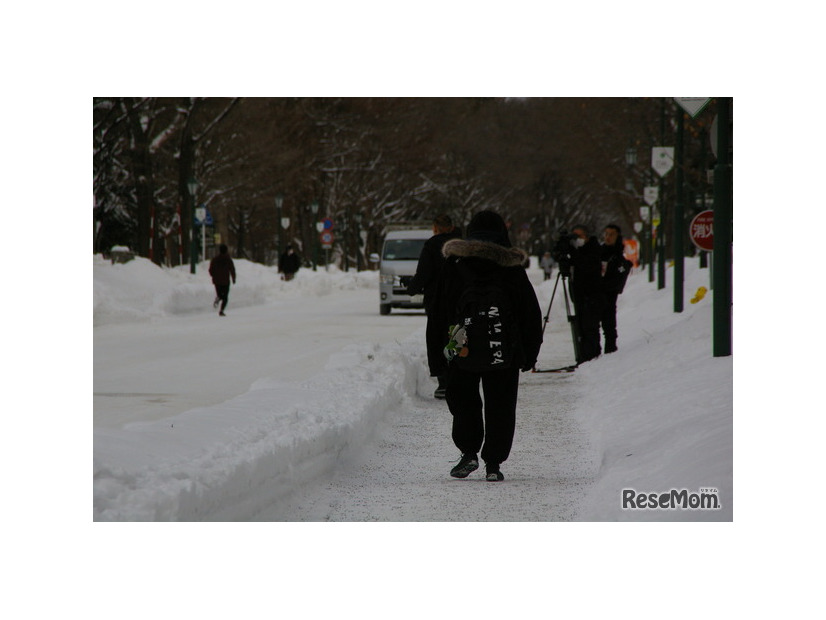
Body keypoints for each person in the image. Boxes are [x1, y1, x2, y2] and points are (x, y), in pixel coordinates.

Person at [434, 210, 542, 482]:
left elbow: (440, 310)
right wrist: (529, 353)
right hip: (503, 349)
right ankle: (493, 462)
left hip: (462, 345)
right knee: (501, 404)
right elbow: (529, 312)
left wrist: (440, 353)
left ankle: (468, 452)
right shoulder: (511, 267)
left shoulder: (454, 264)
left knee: (464, 401)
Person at [406, 214, 462, 399]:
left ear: (436, 227)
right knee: (457, 335)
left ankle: (443, 383)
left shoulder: (432, 246)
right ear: (452, 227)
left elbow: (423, 273)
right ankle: (459, 377)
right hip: (461, 301)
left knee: (437, 339)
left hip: (437, 302)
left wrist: (411, 287)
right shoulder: (463, 245)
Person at [569, 224, 603, 363]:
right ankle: (584, 355)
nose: (577, 240)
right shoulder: (578, 250)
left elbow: (587, 266)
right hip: (580, 294)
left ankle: (592, 356)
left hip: (591, 294)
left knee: (590, 326)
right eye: (574, 236)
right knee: (581, 326)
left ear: (586, 236)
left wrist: (574, 253)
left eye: (579, 236)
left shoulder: (593, 249)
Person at [600, 224, 631, 353]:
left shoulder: (619, 258)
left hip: (609, 294)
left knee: (609, 323)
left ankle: (610, 350)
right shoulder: (599, 252)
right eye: (606, 234)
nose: (608, 237)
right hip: (596, 293)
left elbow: (618, 280)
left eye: (611, 234)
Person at [209, 244, 236, 316]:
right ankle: (221, 310)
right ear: (226, 250)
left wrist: (214, 276)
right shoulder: (228, 259)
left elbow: (211, 270)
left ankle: (218, 298)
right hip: (225, 281)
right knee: (225, 297)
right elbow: (232, 269)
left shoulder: (215, 259)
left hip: (217, 281)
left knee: (219, 294)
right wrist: (233, 278)